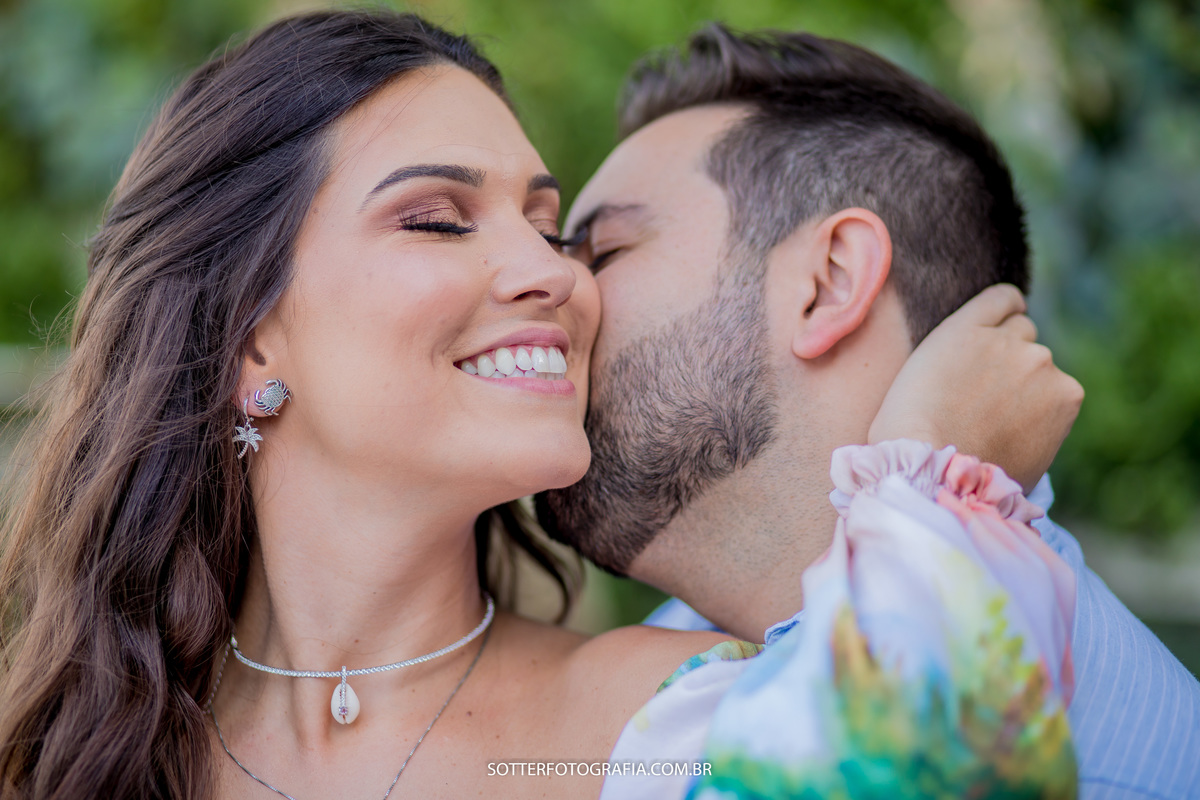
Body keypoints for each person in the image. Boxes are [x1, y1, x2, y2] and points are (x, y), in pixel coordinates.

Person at [0, 10, 1075, 800]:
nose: (557, 275)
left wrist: (934, 475)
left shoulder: (668, 720)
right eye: (435, 218)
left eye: (552, 227)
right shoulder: (68, 747)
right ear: (249, 337)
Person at [541, 24, 1200, 800]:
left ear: (828, 281)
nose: (560, 296)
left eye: (604, 252)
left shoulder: (1052, 744)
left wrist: (920, 465)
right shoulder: (675, 653)